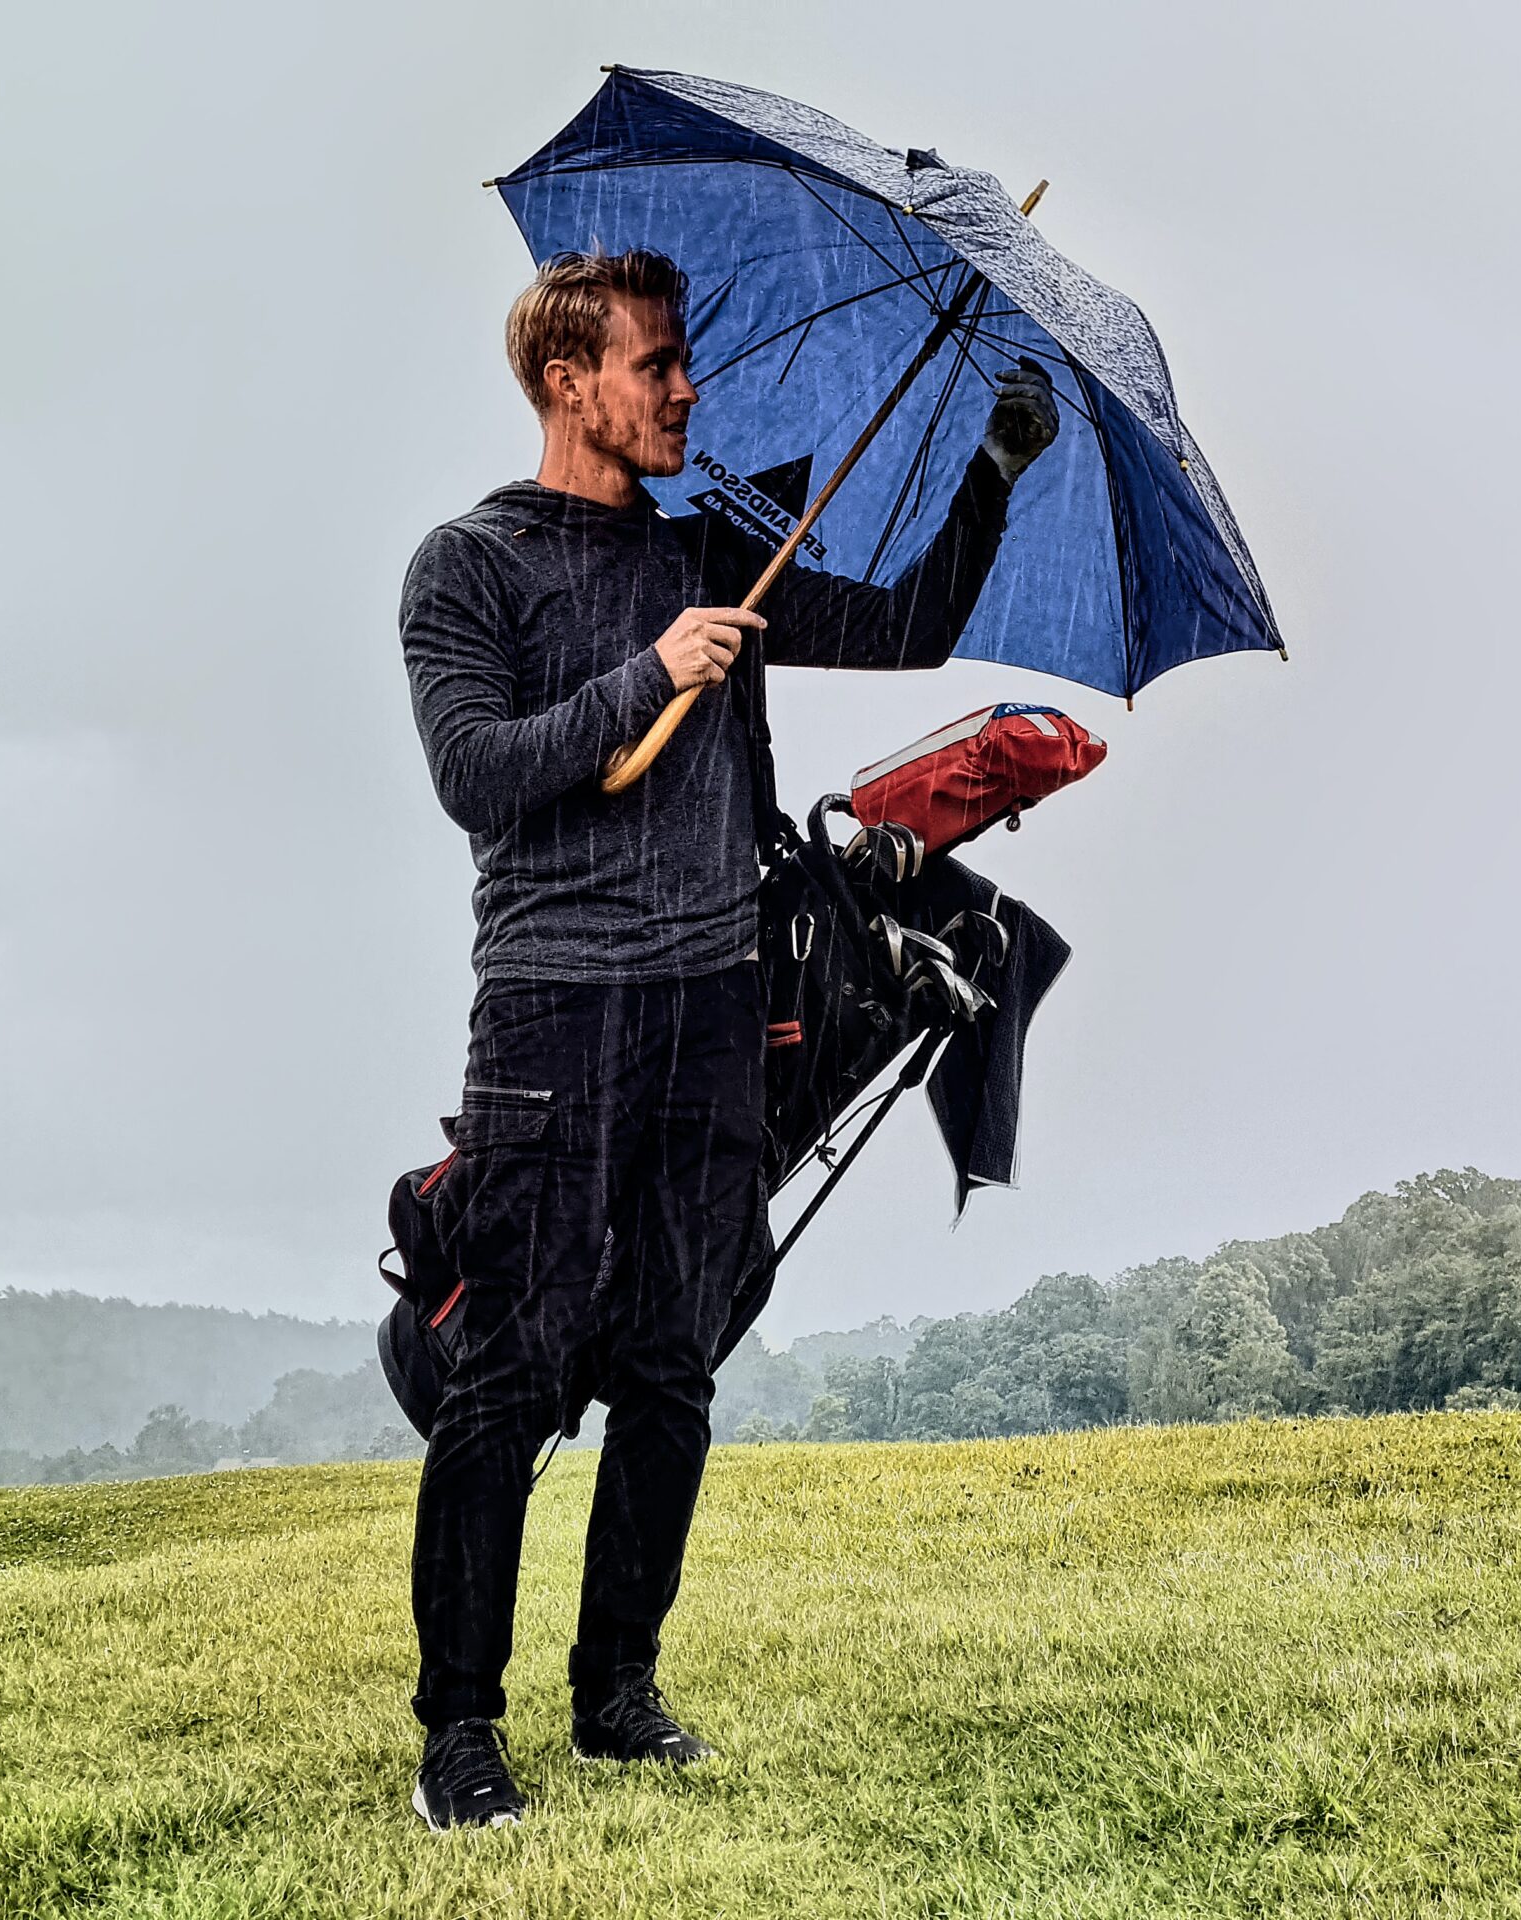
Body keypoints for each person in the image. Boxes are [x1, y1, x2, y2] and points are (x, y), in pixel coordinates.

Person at [395, 248, 1057, 1831]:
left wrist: (993, 468)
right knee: (513, 1366)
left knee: (675, 1364)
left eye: (684, 363)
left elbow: (904, 625)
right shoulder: (469, 564)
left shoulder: (718, 553)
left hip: (710, 1007)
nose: (688, 388)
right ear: (571, 382)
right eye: (659, 363)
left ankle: (617, 1689)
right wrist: (653, 667)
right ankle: (460, 1734)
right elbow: (477, 775)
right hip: (554, 1007)